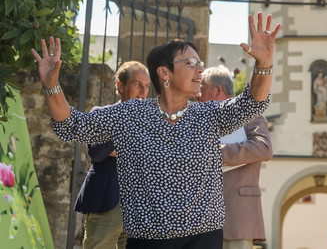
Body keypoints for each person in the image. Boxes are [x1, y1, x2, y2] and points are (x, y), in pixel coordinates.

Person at [31, 13, 281, 249]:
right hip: (147, 239)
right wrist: (52, 86)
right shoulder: (130, 114)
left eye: (200, 63)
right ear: (164, 73)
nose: (200, 70)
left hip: (203, 238)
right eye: (190, 62)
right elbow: (72, 126)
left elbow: (253, 103)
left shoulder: (208, 115)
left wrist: (265, 66)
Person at [74, 61, 151, 249]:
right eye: (137, 84)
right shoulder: (100, 114)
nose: (143, 91)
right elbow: (98, 152)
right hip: (107, 202)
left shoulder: (153, 121)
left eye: (147, 86)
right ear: (121, 86)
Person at [198, 65, 273, 249]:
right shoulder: (199, 119)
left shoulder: (250, 115)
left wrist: (216, 152)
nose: (196, 96)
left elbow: (264, 148)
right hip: (201, 218)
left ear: (217, 90)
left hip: (238, 214)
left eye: (201, 90)